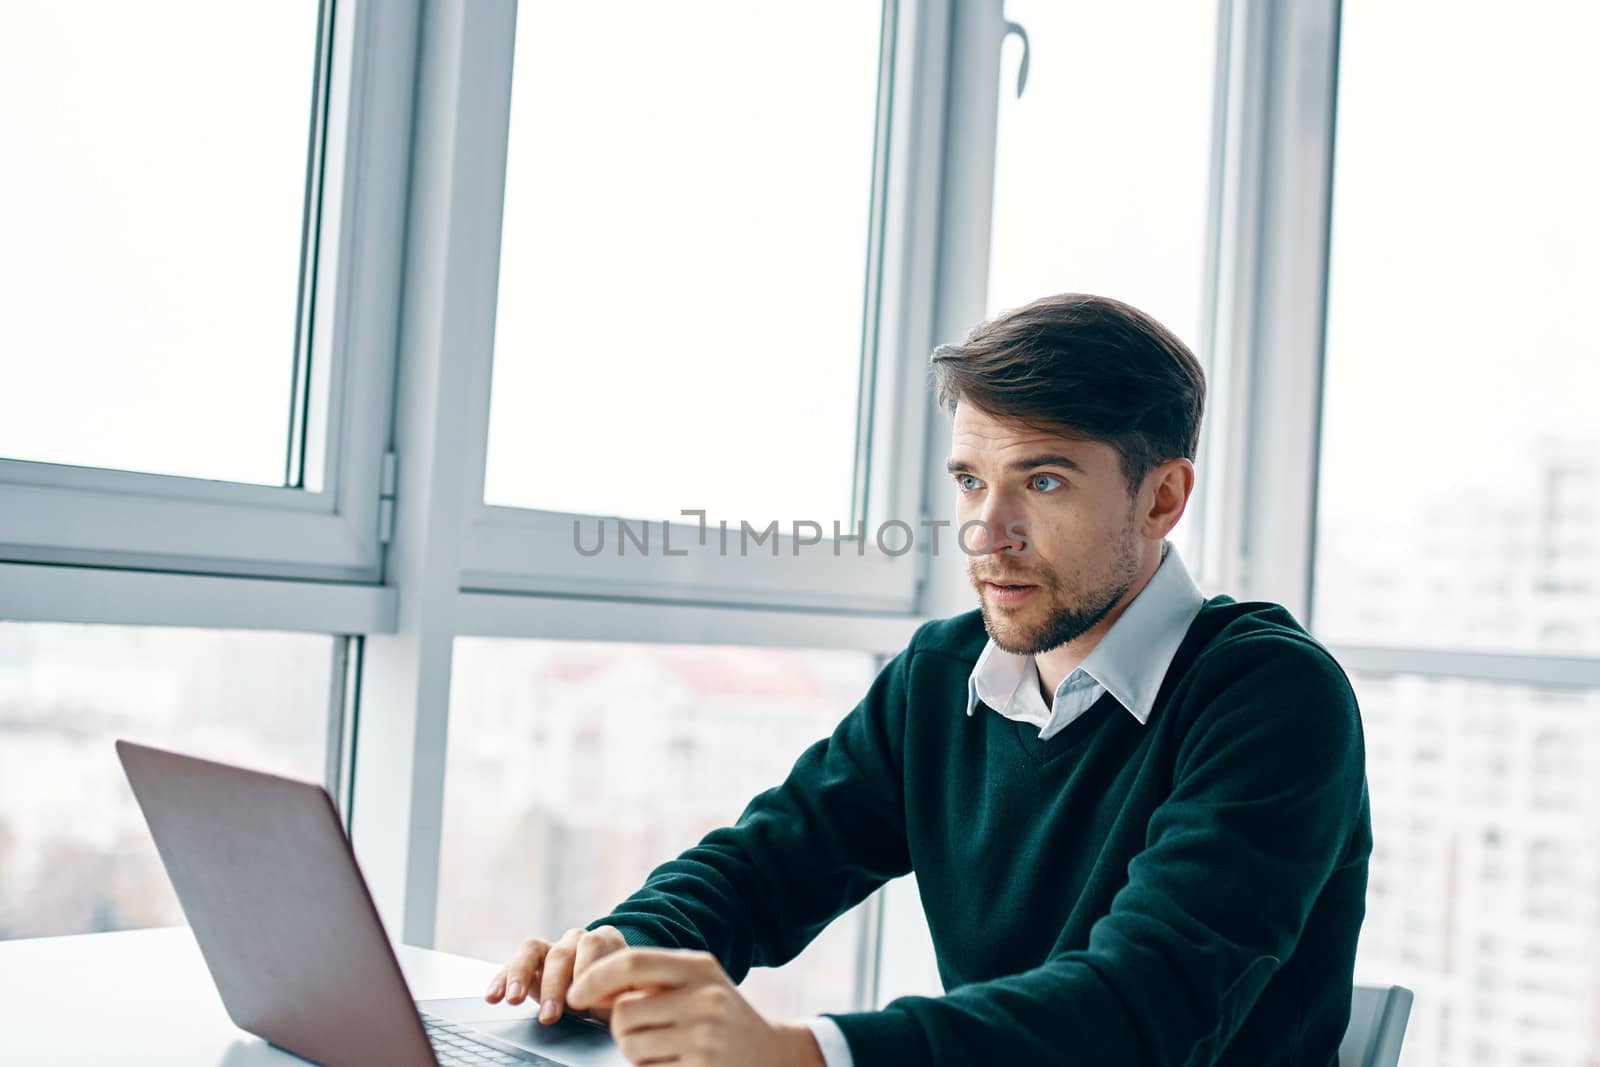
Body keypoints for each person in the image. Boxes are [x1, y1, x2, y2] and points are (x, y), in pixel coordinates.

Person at [483, 292, 1372, 1066]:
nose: (989, 531)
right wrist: (624, 947)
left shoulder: (1272, 698)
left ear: (1161, 498)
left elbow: (1138, 1009)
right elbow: (767, 862)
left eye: (1045, 480)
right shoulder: (944, 675)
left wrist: (804, 1054)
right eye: (970, 480)